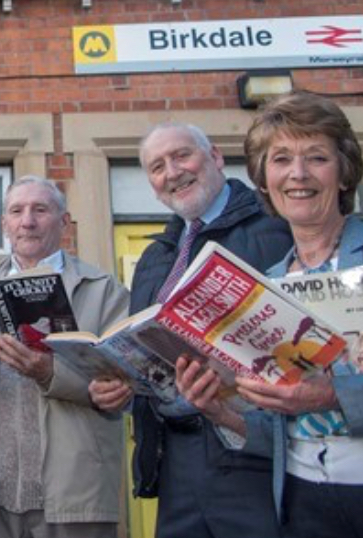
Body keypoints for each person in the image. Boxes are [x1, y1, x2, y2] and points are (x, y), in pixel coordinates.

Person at [176, 91, 363, 537]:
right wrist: (222, 413)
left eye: (316, 157)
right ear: (264, 178)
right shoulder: (268, 283)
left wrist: (337, 393)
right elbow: (285, 428)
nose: (297, 175)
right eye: (280, 160)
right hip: (305, 504)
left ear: (343, 171)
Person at [88, 122, 293, 538]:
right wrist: (119, 389)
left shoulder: (278, 227)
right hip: (174, 455)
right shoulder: (155, 256)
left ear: (215, 157)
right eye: (157, 167)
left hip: (253, 449)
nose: (172, 172)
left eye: (182, 156)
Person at [0, 176, 128, 538]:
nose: (27, 221)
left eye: (40, 210)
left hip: (74, 493)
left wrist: (49, 372)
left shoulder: (104, 290)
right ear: (4, 224)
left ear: (64, 222)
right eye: (16, 211)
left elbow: (122, 387)